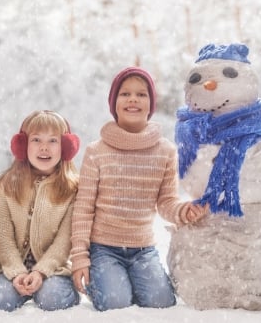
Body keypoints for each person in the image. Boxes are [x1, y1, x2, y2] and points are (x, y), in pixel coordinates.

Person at [70, 67, 209, 311]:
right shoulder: (97, 151)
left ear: (150, 103)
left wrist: (183, 211)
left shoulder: (165, 151)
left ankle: (127, 279)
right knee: (115, 302)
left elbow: (166, 201)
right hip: (104, 248)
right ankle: (108, 281)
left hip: (143, 250)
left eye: (141, 94)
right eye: (125, 94)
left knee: (161, 301)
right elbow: (83, 209)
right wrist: (81, 257)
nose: (133, 99)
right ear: (114, 103)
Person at [0, 110, 81, 312]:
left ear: (65, 147)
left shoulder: (72, 189)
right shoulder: (7, 185)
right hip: (11, 267)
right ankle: (20, 282)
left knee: (53, 298)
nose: (44, 147)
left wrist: (42, 271)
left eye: (53, 140)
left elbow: (64, 240)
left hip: (53, 269)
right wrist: (17, 272)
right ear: (23, 145)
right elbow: (2, 236)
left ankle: (54, 288)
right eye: (36, 140)